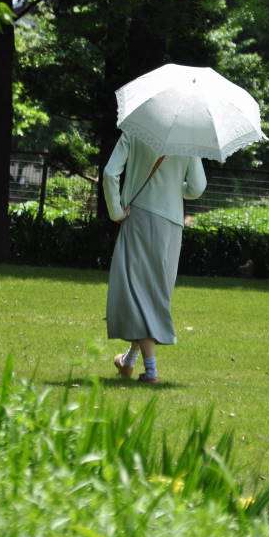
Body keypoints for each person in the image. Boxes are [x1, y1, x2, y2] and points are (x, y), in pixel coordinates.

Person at [103, 130, 207, 384]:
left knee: (138, 290)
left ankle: (151, 371)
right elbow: (196, 187)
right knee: (155, 293)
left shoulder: (135, 129)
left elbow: (109, 173)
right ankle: (128, 361)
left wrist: (116, 211)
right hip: (172, 225)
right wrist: (174, 186)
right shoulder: (188, 136)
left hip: (138, 218)